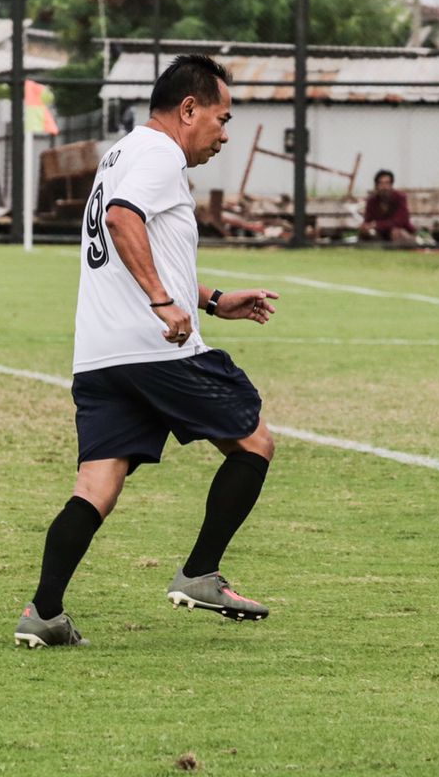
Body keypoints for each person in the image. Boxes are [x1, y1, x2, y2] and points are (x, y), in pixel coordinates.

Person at [15, 54, 280, 648]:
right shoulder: (160, 155)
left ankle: (44, 613)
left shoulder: (122, 153)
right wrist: (163, 302)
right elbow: (122, 220)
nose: (224, 134)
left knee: (96, 488)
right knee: (254, 442)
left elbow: (144, 246)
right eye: (221, 118)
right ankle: (201, 573)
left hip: (101, 355)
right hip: (155, 349)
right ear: (188, 109)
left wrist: (212, 299)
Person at [359, 169, 416, 244]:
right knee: (366, 232)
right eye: (381, 183)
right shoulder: (372, 201)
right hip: (381, 234)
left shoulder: (400, 198)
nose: (384, 187)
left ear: (391, 185)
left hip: (402, 233)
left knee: (395, 232)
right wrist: (365, 227)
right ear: (376, 185)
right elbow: (368, 220)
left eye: (387, 183)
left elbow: (400, 221)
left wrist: (376, 224)